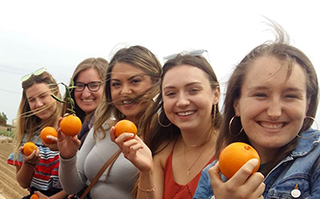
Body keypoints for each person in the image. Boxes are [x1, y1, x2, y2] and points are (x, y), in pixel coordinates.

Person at [193, 21, 320, 199]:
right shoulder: (213, 174)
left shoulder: (315, 160)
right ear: (236, 103)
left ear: (307, 104)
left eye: (290, 96)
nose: (274, 112)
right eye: (260, 95)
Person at [111, 51, 222, 199]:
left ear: (216, 94)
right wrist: (146, 171)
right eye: (171, 93)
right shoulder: (163, 149)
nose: (182, 102)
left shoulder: (232, 149)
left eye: (193, 90)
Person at [57, 45, 162, 199]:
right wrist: (67, 157)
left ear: (156, 83)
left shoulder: (163, 134)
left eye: (135, 81)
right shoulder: (103, 125)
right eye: (116, 84)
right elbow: (73, 186)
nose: (124, 91)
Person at [7, 68, 69, 198]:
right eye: (32, 100)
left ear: (55, 93)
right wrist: (30, 163)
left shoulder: (69, 127)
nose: (38, 104)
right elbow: (23, 183)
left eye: (42, 96)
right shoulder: (28, 135)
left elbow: (82, 176)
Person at [62, 57, 108, 149]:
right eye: (79, 86)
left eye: (94, 85)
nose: (86, 94)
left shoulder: (107, 129)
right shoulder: (75, 125)